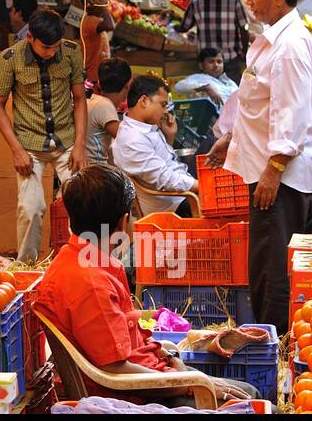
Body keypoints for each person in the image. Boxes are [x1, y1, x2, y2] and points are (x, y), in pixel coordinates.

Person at [33, 165, 256, 405]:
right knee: (253, 400)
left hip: (153, 376)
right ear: (123, 221)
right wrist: (190, 382)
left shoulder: (79, 260)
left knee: (247, 392)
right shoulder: (92, 285)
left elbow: (119, 331)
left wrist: (168, 355)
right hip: (134, 397)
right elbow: (116, 371)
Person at [207, 0, 312, 334]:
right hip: (269, 168)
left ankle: (274, 346)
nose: (249, 1)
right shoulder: (271, 39)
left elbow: (289, 114)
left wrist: (274, 169)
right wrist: (230, 139)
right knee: (270, 263)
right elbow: (260, 103)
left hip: (283, 177)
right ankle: (281, 341)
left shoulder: (289, 45)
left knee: (272, 268)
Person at [0, 10, 88, 263]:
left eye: (56, 46)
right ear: (30, 37)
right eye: (46, 47)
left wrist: (79, 145)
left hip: (66, 141)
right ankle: (27, 268)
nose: (52, 52)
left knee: (81, 205)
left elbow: (79, 100)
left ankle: (81, 264)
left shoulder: (71, 52)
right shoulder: (9, 60)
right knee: (30, 209)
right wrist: (16, 150)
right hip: (29, 145)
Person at [111, 75, 196, 216]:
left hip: (178, 193)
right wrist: (202, 186)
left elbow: (166, 162)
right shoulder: (132, 139)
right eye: (163, 105)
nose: (165, 111)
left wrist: (170, 136)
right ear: (144, 101)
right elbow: (165, 178)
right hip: (171, 206)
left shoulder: (146, 127)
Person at [178, 0, 249, 83]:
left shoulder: (197, 0)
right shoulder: (234, 0)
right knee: (232, 95)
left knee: (210, 94)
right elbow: (244, 28)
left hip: (207, 61)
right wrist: (244, 51)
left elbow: (184, 27)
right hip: (229, 59)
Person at [87, 59, 132, 166]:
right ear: (127, 85)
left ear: (99, 83)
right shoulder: (104, 105)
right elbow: (128, 141)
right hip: (95, 172)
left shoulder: (94, 101)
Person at [173, 47, 239, 106]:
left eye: (219, 62)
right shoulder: (198, 78)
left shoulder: (230, 82)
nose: (216, 65)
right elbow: (178, 88)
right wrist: (205, 87)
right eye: (211, 61)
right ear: (201, 65)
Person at [79, 0, 115, 85]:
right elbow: (110, 26)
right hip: (93, 76)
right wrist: (103, 7)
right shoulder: (90, 21)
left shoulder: (96, 20)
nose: (106, 1)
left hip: (99, 74)